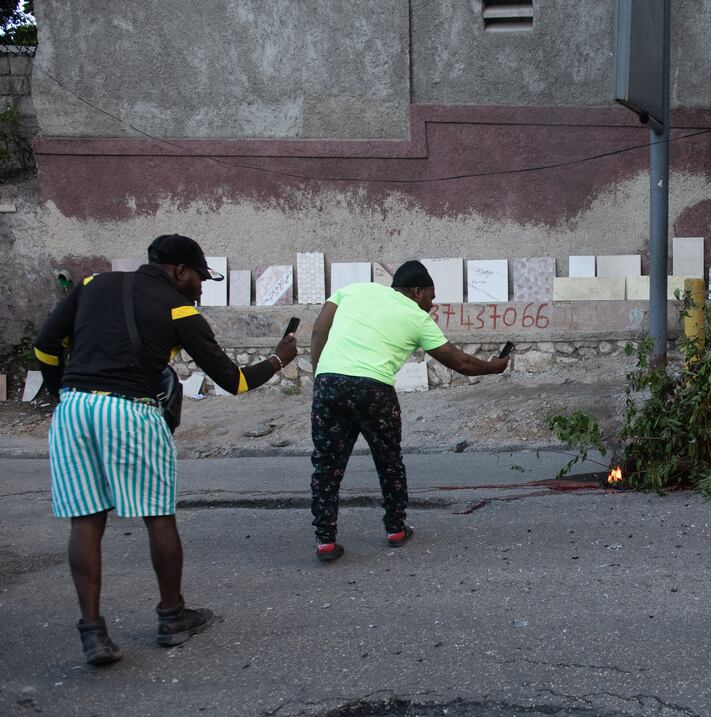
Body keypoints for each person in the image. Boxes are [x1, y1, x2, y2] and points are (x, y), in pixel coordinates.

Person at [33, 234, 299, 666]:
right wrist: (278, 360)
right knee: (158, 517)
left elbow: (45, 348)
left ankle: (93, 632)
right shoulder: (179, 311)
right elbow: (235, 382)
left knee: (86, 519)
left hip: (74, 408)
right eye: (199, 278)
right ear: (179, 270)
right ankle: (172, 617)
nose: (201, 288)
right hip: (131, 411)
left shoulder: (91, 285)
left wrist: (61, 394)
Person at [308, 260, 509, 561]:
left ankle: (325, 540)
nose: (433, 302)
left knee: (326, 466)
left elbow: (319, 329)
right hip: (374, 389)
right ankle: (395, 529)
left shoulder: (355, 290)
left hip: (328, 384)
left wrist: (320, 375)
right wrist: (495, 367)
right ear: (417, 291)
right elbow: (461, 363)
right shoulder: (417, 318)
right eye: (431, 295)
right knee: (388, 460)